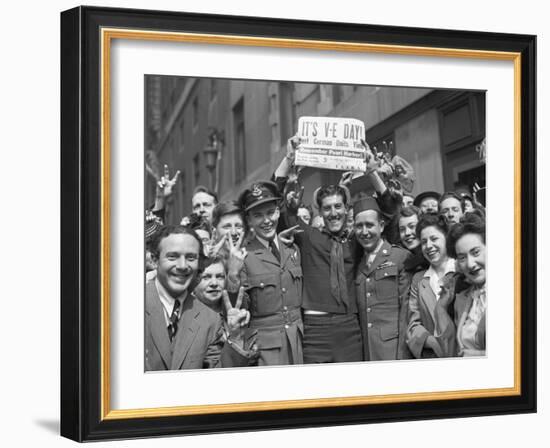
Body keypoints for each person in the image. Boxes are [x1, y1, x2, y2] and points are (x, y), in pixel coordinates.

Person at [145, 225, 255, 371]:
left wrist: (235, 338)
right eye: (172, 257)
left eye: (191, 257)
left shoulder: (210, 320)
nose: (183, 266)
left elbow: (218, 377)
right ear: (154, 260)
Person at [224, 181, 304, 366]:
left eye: (270, 212)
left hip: (297, 343)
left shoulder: (292, 250)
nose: (266, 221)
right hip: (266, 351)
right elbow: (239, 307)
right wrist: (233, 274)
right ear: (249, 220)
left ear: (278, 211)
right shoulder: (243, 256)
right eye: (258, 215)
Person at [353, 197, 412, 360]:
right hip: (367, 352)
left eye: (369, 225)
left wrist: (403, 355)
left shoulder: (400, 257)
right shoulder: (357, 263)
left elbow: (406, 312)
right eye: (359, 226)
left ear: (381, 225)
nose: (364, 232)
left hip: (393, 351)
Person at [434, 214, 486, 357]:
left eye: (476, 252)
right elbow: (450, 350)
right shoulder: (463, 299)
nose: (470, 264)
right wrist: (441, 308)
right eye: (462, 258)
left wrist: (476, 356)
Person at [407, 214, 456, 358]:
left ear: (447, 238)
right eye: (423, 242)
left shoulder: (461, 270)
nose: (428, 246)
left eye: (434, 239)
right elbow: (413, 324)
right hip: (434, 356)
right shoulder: (419, 279)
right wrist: (431, 341)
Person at [397, 206, 429, 275]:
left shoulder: (433, 257)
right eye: (402, 229)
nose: (407, 233)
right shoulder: (403, 260)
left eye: (412, 226)